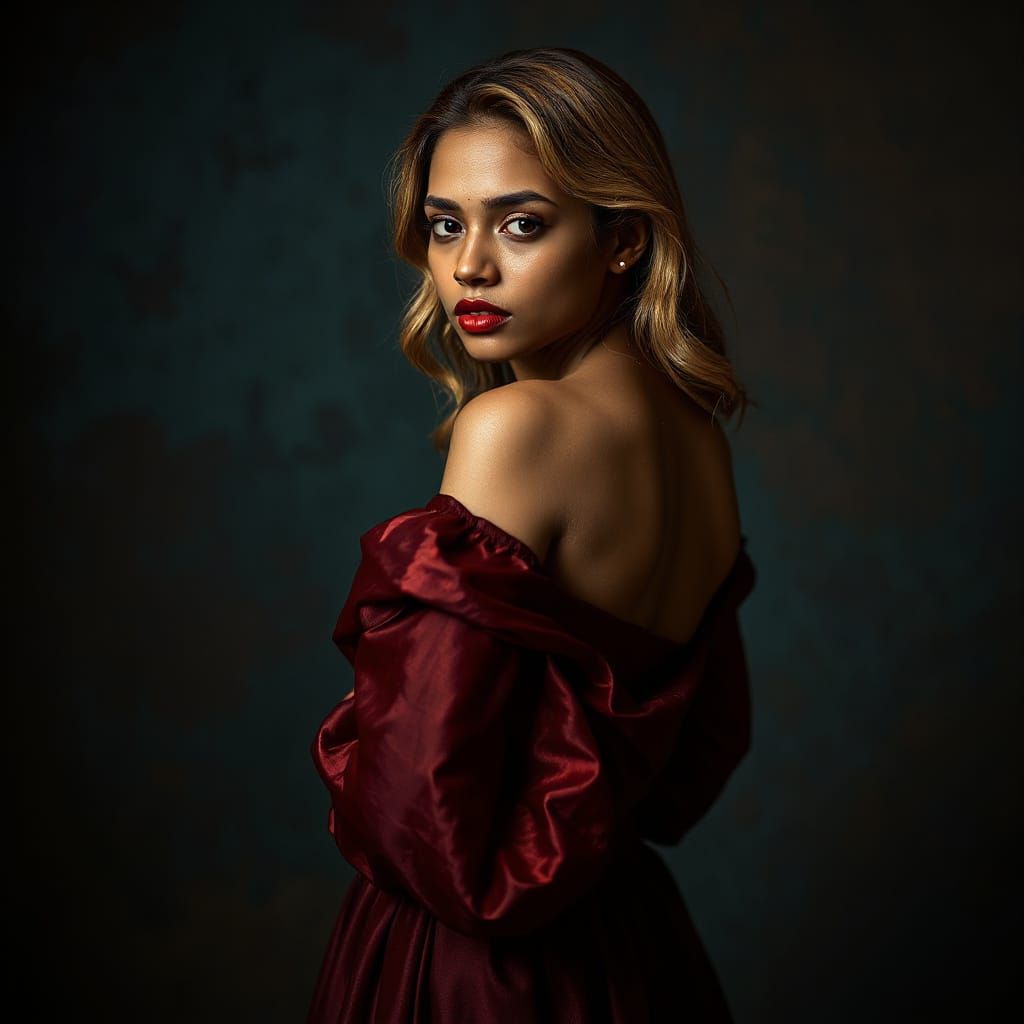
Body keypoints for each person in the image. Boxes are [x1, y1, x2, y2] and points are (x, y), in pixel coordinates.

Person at [309, 47, 758, 1023]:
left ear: (623, 239)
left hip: (474, 968)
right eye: (444, 224)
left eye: (521, 223)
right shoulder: (698, 441)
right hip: (632, 949)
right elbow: (699, 760)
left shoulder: (513, 427)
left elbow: (413, 799)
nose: (469, 264)